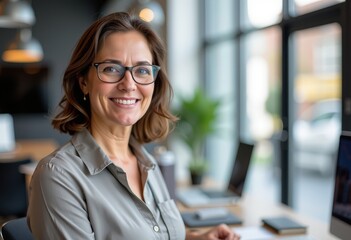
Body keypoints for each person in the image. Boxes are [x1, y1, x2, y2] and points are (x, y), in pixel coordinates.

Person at [27, 12, 241, 240]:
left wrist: (196, 239)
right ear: (84, 82)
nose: (129, 85)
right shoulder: (58, 176)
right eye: (111, 68)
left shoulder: (147, 163)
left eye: (142, 70)